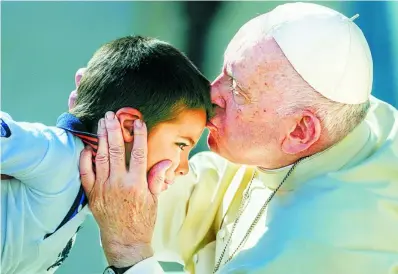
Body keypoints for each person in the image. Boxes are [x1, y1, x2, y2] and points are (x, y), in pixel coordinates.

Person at [78, 2, 398, 274]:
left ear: (300, 131)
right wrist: (100, 137)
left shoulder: (327, 244)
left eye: (236, 89)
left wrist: (131, 252)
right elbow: (191, 194)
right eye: (225, 72)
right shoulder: (322, 132)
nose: (210, 93)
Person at [0, 35, 213, 273]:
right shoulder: (57, 153)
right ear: (129, 127)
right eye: (182, 145)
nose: (184, 167)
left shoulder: (89, 188)